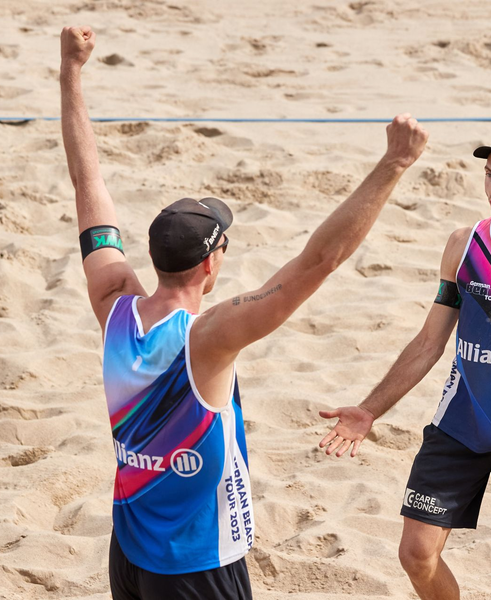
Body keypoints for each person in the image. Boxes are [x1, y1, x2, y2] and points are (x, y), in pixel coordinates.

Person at [59, 24, 428, 600]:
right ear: (211, 264)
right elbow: (319, 261)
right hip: (194, 564)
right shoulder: (208, 337)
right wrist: (395, 163)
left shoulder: (114, 305)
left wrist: (71, 72)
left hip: (127, 552)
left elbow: (88, 181)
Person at [319, 129, 491, 599]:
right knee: (416, 553)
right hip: (459, 426)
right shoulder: (465, 245)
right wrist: (370, 410)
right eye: (489, 175)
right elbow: (429, 341)